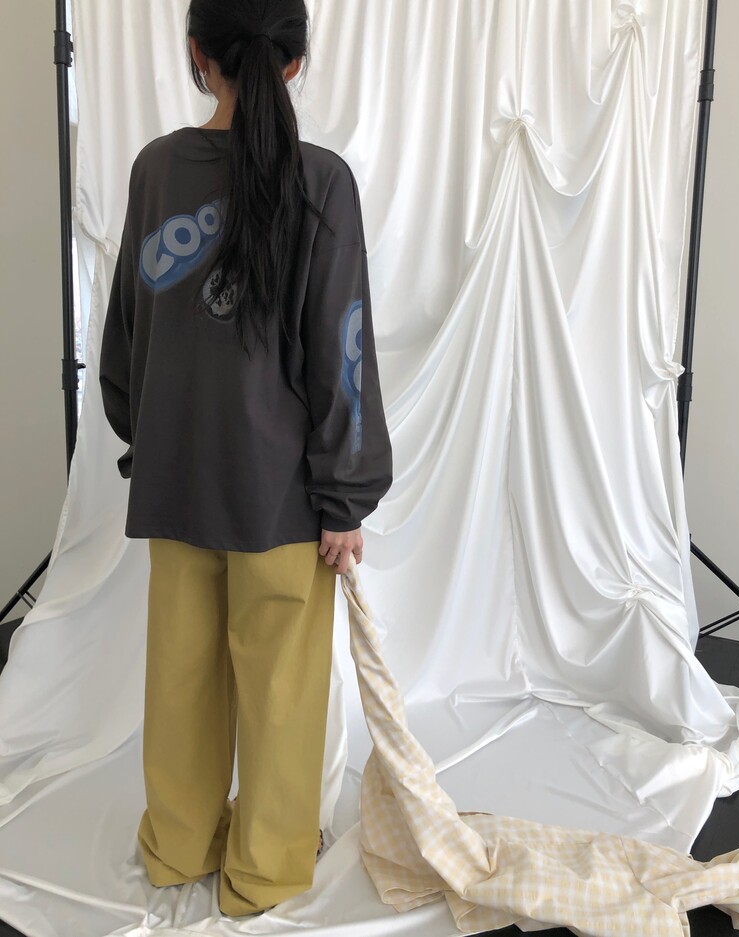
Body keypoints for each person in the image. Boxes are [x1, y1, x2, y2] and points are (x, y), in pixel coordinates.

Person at [98, 0, 392, 918]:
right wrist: (344, 496)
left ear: (199, 55)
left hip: (177, 476)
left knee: (180, 677)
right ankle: (263, 870)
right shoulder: (322, 181)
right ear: (294, 61)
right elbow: (342, 346)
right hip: (280, 497)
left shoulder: (156, 170)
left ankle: (176, 843)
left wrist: (144, 432)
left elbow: (127, 328)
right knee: (280, 689)